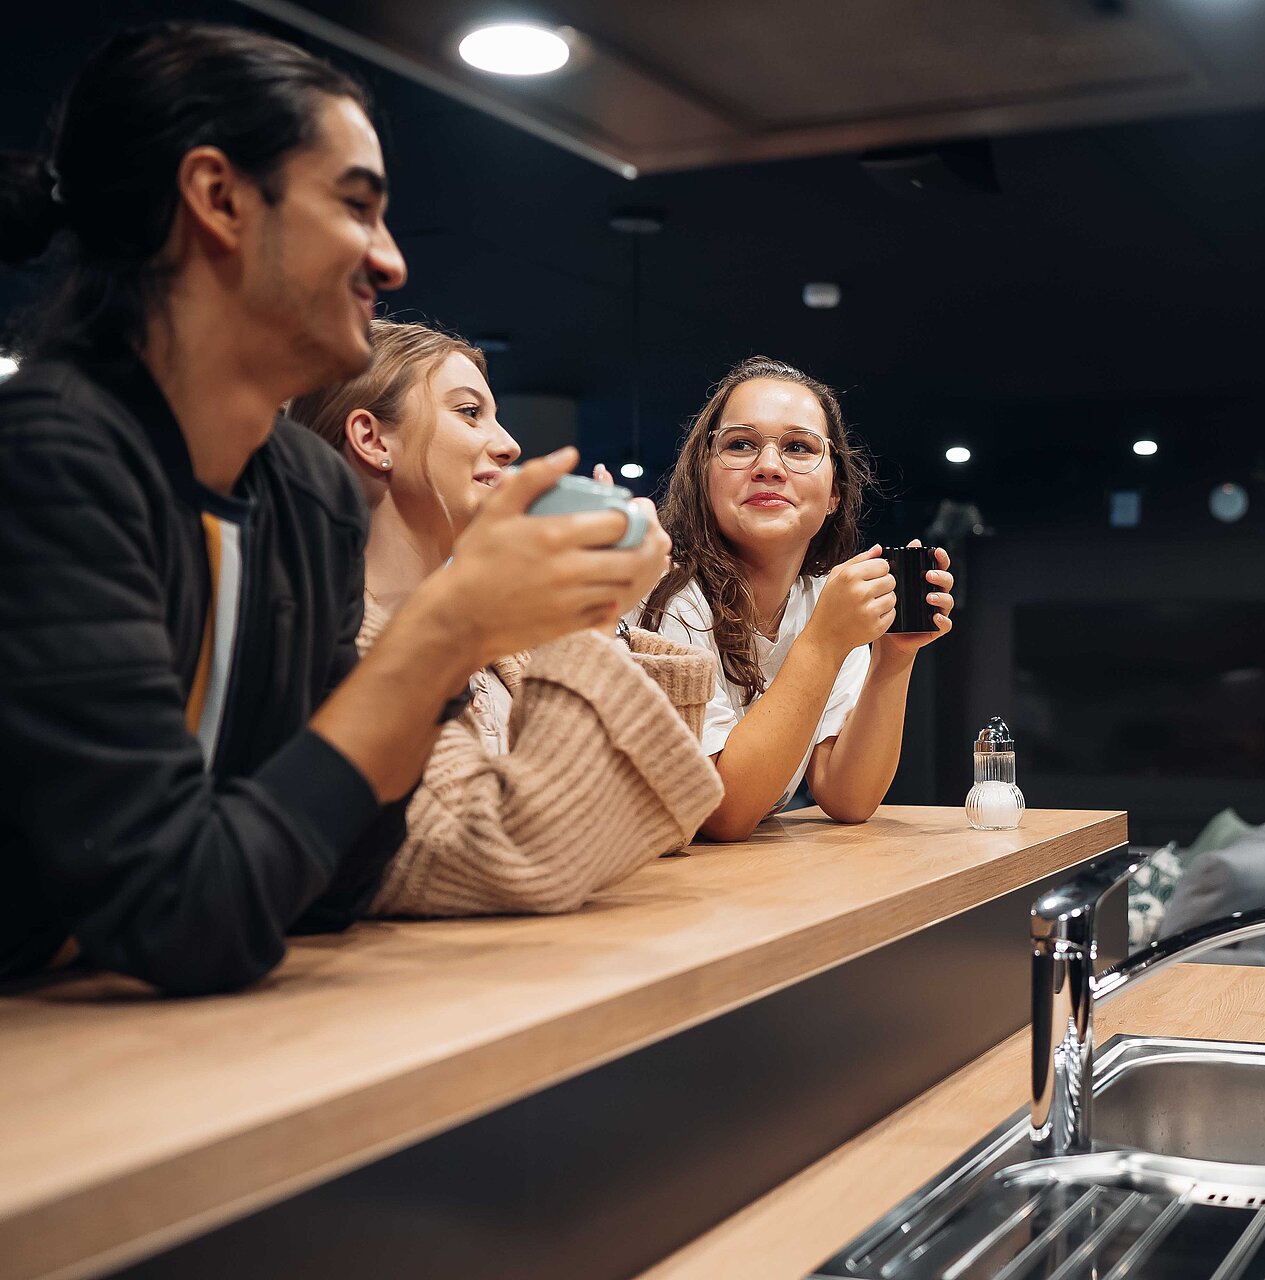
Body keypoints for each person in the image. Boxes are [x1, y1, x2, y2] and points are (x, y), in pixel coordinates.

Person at [0, 24, 655, 993]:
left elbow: (330, 881)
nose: (390, 261)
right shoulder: (49, 458)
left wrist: (455, 647)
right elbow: (185, 910)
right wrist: (441, 635)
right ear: (218, 198)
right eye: (356, 207)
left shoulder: (305, 497)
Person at [290, 319, 723, 915]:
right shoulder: (332, 638)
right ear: (372, 439)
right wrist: (586, 615)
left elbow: (663, 822)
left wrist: (606, 612)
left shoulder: (500, 637)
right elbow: (516, 863)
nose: (509, 443)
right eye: (469, 412)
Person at [635, 356, 954, 841]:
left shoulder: (824, 599)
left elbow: (847, 796)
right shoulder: (663, 593)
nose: (768, 467)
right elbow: (723, 813)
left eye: (798, 447)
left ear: (835, 494)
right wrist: (824, 642)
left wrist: (894, 656)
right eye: (740, 445)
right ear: (704, 475)